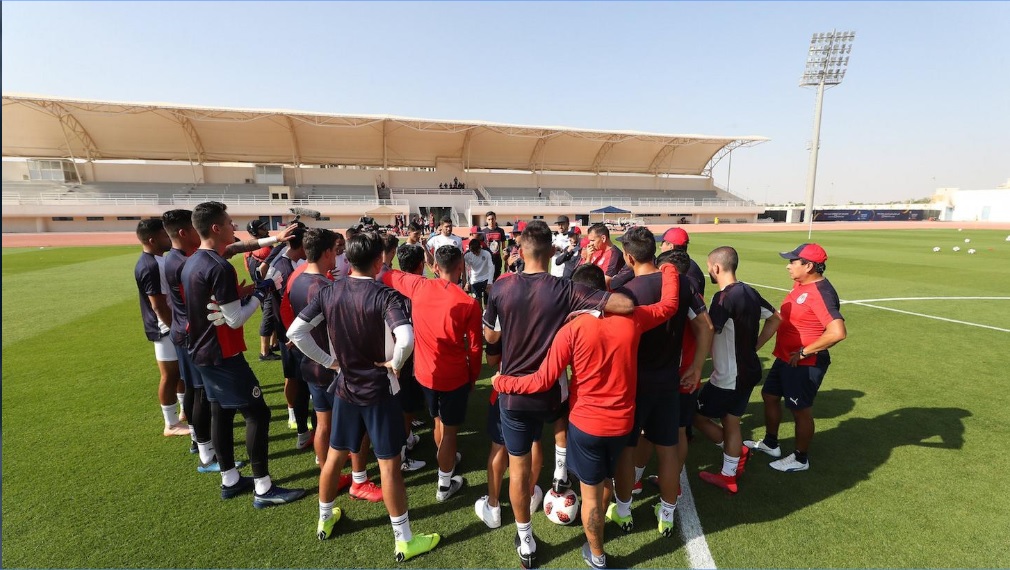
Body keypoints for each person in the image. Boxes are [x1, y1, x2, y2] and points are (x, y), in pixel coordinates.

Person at [493, 262, 679, 569]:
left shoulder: (571, 331)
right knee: (609, 479)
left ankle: (597, 555)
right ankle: (613, 519)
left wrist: (503, 382)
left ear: (580, 296)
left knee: (590, 496)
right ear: (606, 292)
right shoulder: (632, 319)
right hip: (623, 424)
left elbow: (541, 380)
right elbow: (669, 306)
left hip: (586, 427)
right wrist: (669, 267)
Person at [479, 220, 634, 569]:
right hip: (552, 389)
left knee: (517, 468)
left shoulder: (501, 289)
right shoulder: (566, 289)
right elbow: (623, 305)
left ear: (519, 251)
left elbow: (490, 338)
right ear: (551, 251)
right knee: (559, 428)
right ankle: (561, 476)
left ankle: (526, 540)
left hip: (515, 394)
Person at [287, 232, 440, 561]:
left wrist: (330, 361)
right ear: (377, 262)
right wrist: (396, 364)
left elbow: (294, 332)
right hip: (378, 391)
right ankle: (404, 539)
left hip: (344, 388)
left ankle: (324, 520)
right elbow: (406, 337)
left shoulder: (330, 290)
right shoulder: (385, 295)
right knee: (389, 466)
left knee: (334, 457)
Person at [181, 201, 306, 507]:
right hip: (222, 353)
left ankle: (230, 479)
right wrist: (262, 291)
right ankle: (264, 489)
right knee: (257, 413)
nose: (232, 225)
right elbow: (235, 318)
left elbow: (238, 249)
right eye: (228, 222)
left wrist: (273, 241)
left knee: (221, 411)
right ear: (215, 228)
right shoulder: (218, 267)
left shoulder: (195, 261)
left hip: (202, 350)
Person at [609, 229, 710, 537]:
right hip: (670, 380)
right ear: (655, 251)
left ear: (628, 257)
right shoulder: (683, 283)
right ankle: (666, 515)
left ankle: (624, 512)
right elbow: (706, 326)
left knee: (627, 449)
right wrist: (695, 367)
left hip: (634, 383)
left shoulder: (626, 292)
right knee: (667, 449)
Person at [381, 245, 483, 503]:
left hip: (425, 374)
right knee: (448, 430)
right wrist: (472, 378)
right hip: (454, 376)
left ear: (435, 267)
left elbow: (386, 273)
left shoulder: (419, 286)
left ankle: (445, 460)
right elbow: (474, 348)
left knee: (438, 420)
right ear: (461, 268)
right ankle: (444, 484)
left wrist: (383, 253)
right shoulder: (469, 303)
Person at [745, 243, 847, 472]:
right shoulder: (800, 285)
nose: (788, 266)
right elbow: (782, 320)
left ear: (809, 266)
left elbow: (837, 332)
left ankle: (801, 458)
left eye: (793, 261)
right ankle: (771, 444)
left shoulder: (822, 293)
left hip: (805, 363)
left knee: (800, 410)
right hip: (785, 357)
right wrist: (755, 346)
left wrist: (804, 352)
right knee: (769, 395)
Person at [693, 246, 780, 494]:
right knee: (732, 422)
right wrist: (756, 345)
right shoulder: (749, 292)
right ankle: (729, 473)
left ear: (717, 268)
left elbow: (709, 330)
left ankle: (735, 456)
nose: (709, 270)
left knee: (695, 415)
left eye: (709, 266)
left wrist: (696, 365)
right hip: (748, 372)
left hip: (728, 376)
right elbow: (776, 318)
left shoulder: (722, 298)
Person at [631, 250, 713, 501]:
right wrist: (698, 366)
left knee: (648, 436)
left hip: (657, 377)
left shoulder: (644, 288)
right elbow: (707, 326)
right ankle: (665, 491)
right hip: (678, 375)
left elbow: (706, 327)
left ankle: (631, 490)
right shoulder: (689, 287)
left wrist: (696, 365)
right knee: (669, 436)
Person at [133, 218, 188, 437]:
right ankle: (171, 424)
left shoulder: (157, 260)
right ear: (152, 239)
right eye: (165, 236)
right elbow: (157, 304)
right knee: (169, 374)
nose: (169, 239)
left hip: (170, 325)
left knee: (181, 372)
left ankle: (184, 411)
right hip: (164, 328)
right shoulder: (150, 265)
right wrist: (174, 328)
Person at [265, 228, 313, 441]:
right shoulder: (282, 269)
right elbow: (285, 305)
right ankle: (298, 420)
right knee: (297, 379)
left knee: (298, 379)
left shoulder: (288, 264)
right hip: (291, 334)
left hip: (292, 332)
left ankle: (298, 419)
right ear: (300, 245)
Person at [245, 219, 281, 361]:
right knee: (268, 317)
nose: (266, 229)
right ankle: (264, 352)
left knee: (271, 316)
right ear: (255, 231)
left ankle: (273, 344)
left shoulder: (249, 249)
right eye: (262, 228)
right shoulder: (264, 249)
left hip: (260, 286)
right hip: (268, 287)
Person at [657, 227, 706, 296]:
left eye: (662, 243)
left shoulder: (686, 270)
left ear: (671, 246)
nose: (660, 247)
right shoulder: (688, 264)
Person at [583, 223, 626, 289]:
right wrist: (588, 258)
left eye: (593, 240)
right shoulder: (593, 251)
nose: (590, 244)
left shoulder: (614, 255)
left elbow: (606, 283)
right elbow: (582, 274)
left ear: (603, 238)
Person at [464, 237, 494, 309]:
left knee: (489, 302)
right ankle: (479, 317)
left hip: (486, 279)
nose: (475, 253)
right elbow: (466, 269)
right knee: (477, 302)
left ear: (480, 247)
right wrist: (467, 282)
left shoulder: (486, 254)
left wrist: (490, 282)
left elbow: (491, 267)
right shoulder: (467, 256)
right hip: (475, 280)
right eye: (473, 252)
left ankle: (487, 317)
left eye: (476, 251)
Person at [481, 211, 508, 281]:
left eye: (492, 219)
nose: (491, 221)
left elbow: (504, 246)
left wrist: (505, 257)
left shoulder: (500, 231)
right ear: (486, 220)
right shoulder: (483, 232)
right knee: (488, 278)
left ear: (495, 219)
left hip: (497, 258)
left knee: (497, 278)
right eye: (489, 219)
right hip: (487, 259)